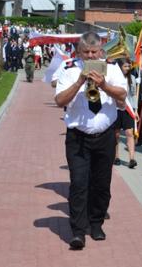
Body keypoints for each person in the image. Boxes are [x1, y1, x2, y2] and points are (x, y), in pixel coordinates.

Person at [54, 32, 127, 250]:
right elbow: (59, 101)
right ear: (79, 52)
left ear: (101, 51)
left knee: (101, 184)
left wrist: (103, 85)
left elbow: (122, 94)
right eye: (86, 52)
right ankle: (78, 231)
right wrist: (79, 81)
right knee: (79, 183)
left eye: (94, 52)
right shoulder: (69, 68)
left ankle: (96, 223)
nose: (90, 56)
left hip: (105, 136)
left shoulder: (111, 68)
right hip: (78, 137)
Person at [113, 58, 138, 168]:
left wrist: (135, 110)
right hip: (116, 108)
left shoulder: (132, 78)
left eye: (129, 66)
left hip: (128, 108)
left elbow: (133, 95)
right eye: (125, 66)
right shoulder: (114, 78)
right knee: (116, 134)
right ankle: (116, 156)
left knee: (129, 133)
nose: (127, 68)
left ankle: (132, 159)